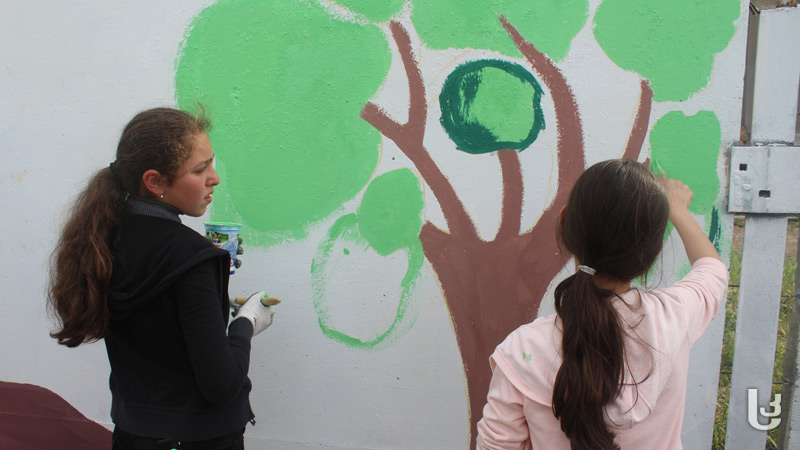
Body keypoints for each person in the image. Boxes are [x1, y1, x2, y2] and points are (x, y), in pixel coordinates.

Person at [48, 107, 275, 450]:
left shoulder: (101, 238)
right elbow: (222, 386)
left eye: (211, 163)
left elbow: (157, 320)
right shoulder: (192, 256)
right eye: (200, 169)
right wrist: (245, 324)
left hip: (132, 433)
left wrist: (212, 298)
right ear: (154, 182)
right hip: (197, 439)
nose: (214, 178)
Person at [476, 159, 728, 450]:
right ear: (655, 250)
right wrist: (678, 210)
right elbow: (712, 269)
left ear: (563, 222)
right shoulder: (675, 317)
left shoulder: (524, 351)